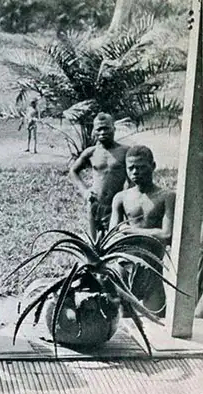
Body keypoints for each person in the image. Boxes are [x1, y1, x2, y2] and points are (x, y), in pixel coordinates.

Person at [109, 145, 176, 316]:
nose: (135, 172)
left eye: (141, 167)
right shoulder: (121, 198)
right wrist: (145, 232)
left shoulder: (166, 197)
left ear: (153, 166)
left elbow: (166, 234)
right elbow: (112, 236)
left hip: (152, 269)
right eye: (131, 168)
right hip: (125, 267)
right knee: (124, 321)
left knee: (158, 320)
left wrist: (130, 231)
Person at [69, 112, 130, 242]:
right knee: (94, 244)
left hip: (116, 205)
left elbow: (133, 177)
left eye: (106, 128)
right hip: (95, 203)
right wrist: (85, 192)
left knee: (116, 240)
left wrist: (127, 196)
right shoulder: (91, 152)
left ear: (114, 128)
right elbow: (73, 171)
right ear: (94, 131)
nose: (102, 132)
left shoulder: (125, 151)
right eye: (99, 129)